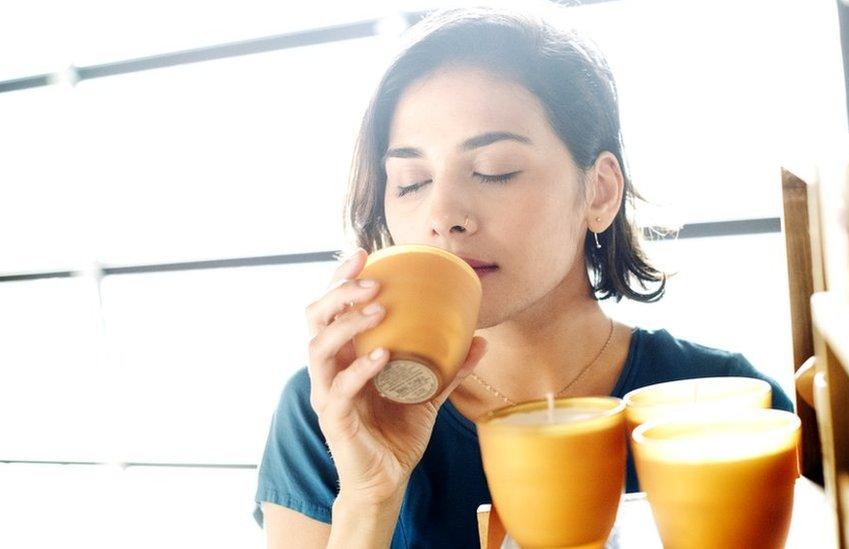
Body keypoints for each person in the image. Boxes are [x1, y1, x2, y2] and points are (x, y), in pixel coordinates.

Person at [253, 5, 794, 548]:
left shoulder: (730, 406)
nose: (443, 215)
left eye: (495, 170)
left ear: (600, 192)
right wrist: (369, 496)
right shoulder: (331, 411)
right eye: (411, 181)